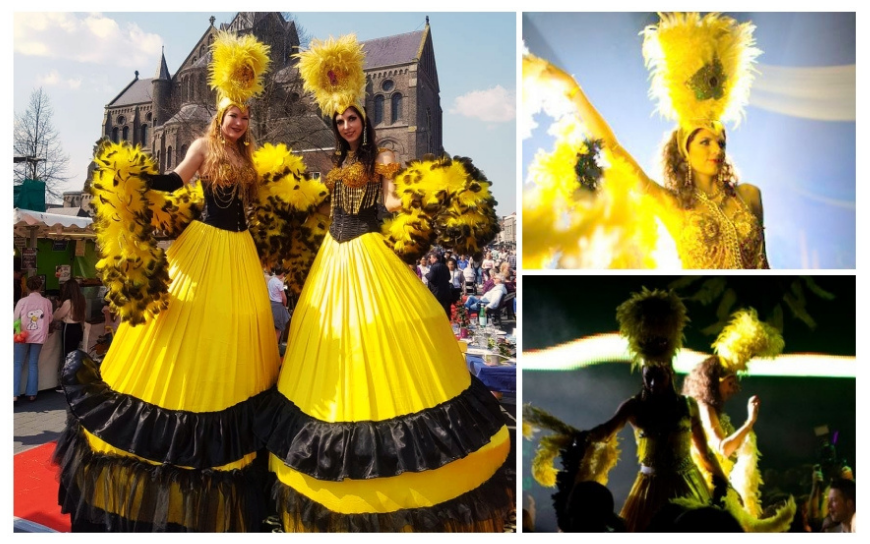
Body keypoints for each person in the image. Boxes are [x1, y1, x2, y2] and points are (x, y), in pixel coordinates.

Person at [259, 34, 513, 532]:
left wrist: (424, 195)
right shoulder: (337, 165)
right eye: (340, 120)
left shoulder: (383, 160)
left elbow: (392, 203)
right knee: (328, 337)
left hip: (367, 251)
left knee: (386, 328)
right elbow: (323, 204)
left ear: (364, 120)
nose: (347, 124)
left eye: (352, 117)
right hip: (332, 259)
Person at [53, 32, 281, 532]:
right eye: (231, 115)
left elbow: (260, 206)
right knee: (185, 320)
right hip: (204, 245)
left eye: (243, 115)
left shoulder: (250, 159)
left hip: (240, 252)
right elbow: (176, 179)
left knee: (240, 328)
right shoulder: (203, 145)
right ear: (219, 118)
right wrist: (139, 180)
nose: (237, 121)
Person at [528, 13, 768, 268]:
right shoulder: (670, 204)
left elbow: (766, 266)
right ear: (685, 151)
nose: (716, 150)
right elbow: (613, 149)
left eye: (720, 142)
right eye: (705, 142)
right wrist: (572, 90)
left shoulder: (749, 195)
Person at [526, 288, 730, 532]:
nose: (654, 382)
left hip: (689, 487)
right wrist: (580, 439)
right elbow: (606, 430)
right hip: (649, 489)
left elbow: (704, 452)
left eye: (660, 375)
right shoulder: (634, 406)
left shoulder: (687, 406)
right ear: (642, 374)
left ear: (670, 373)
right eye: (649, 375)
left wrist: (720, 480)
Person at [682, 309, 795, 531]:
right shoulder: (703, 406)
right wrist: (749, 422)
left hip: (722, 483)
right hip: (710, 488)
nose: (735, 390)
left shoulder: (714, 410)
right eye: (731, 383)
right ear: (715, 382)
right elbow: (723, 449)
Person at [14, 275, 53, 402]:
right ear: (40, 287)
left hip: (22, 336)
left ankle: (14, 394)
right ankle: (32, 394)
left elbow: (15, 319)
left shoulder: (22, 302)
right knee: (33, 363)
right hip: (39, 336)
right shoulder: (46, 302)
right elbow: (50, 319)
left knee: (17, 364)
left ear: (27, 287)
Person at [53, 280, 86, 393]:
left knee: (66, 356)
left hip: (68, 328)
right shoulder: (81, 300)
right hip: (77, 328)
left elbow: (57, 316)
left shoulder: (67, 302)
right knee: (74, 356)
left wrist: (58, 307)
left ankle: (65, 384)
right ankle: (74, 381)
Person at [425, 250, 452, 317]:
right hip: (446, 291)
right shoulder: (445, 266)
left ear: (434, 258)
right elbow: (449, 277)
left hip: (436, 292)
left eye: (431, 258)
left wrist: (427, 275)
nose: (430, 259)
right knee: (446, 310)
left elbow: (431, 278)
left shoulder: (434, 267)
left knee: (437, 309)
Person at [268, 268, 290, 343]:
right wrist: (284, 305)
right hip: (278, 306)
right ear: (282, 273)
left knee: (272, 327)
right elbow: (284, 297)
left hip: (271, 304)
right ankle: (275, 347)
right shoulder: (279, 283)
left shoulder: (271, 281)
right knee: (278, 329)